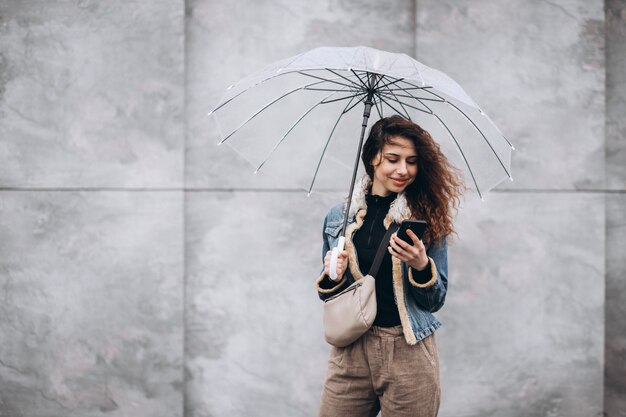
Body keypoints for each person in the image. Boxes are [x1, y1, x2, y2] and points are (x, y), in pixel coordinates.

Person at [316, 115, 464, 417]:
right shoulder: (339, 217)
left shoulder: (425, 217)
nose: (403, 170)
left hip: (407, 350)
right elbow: (329, 294)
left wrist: (421, 265)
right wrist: (334, 274)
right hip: (351, 350)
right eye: (393, 159)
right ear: (372, 158)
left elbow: (435, 300)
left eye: (411, 161)